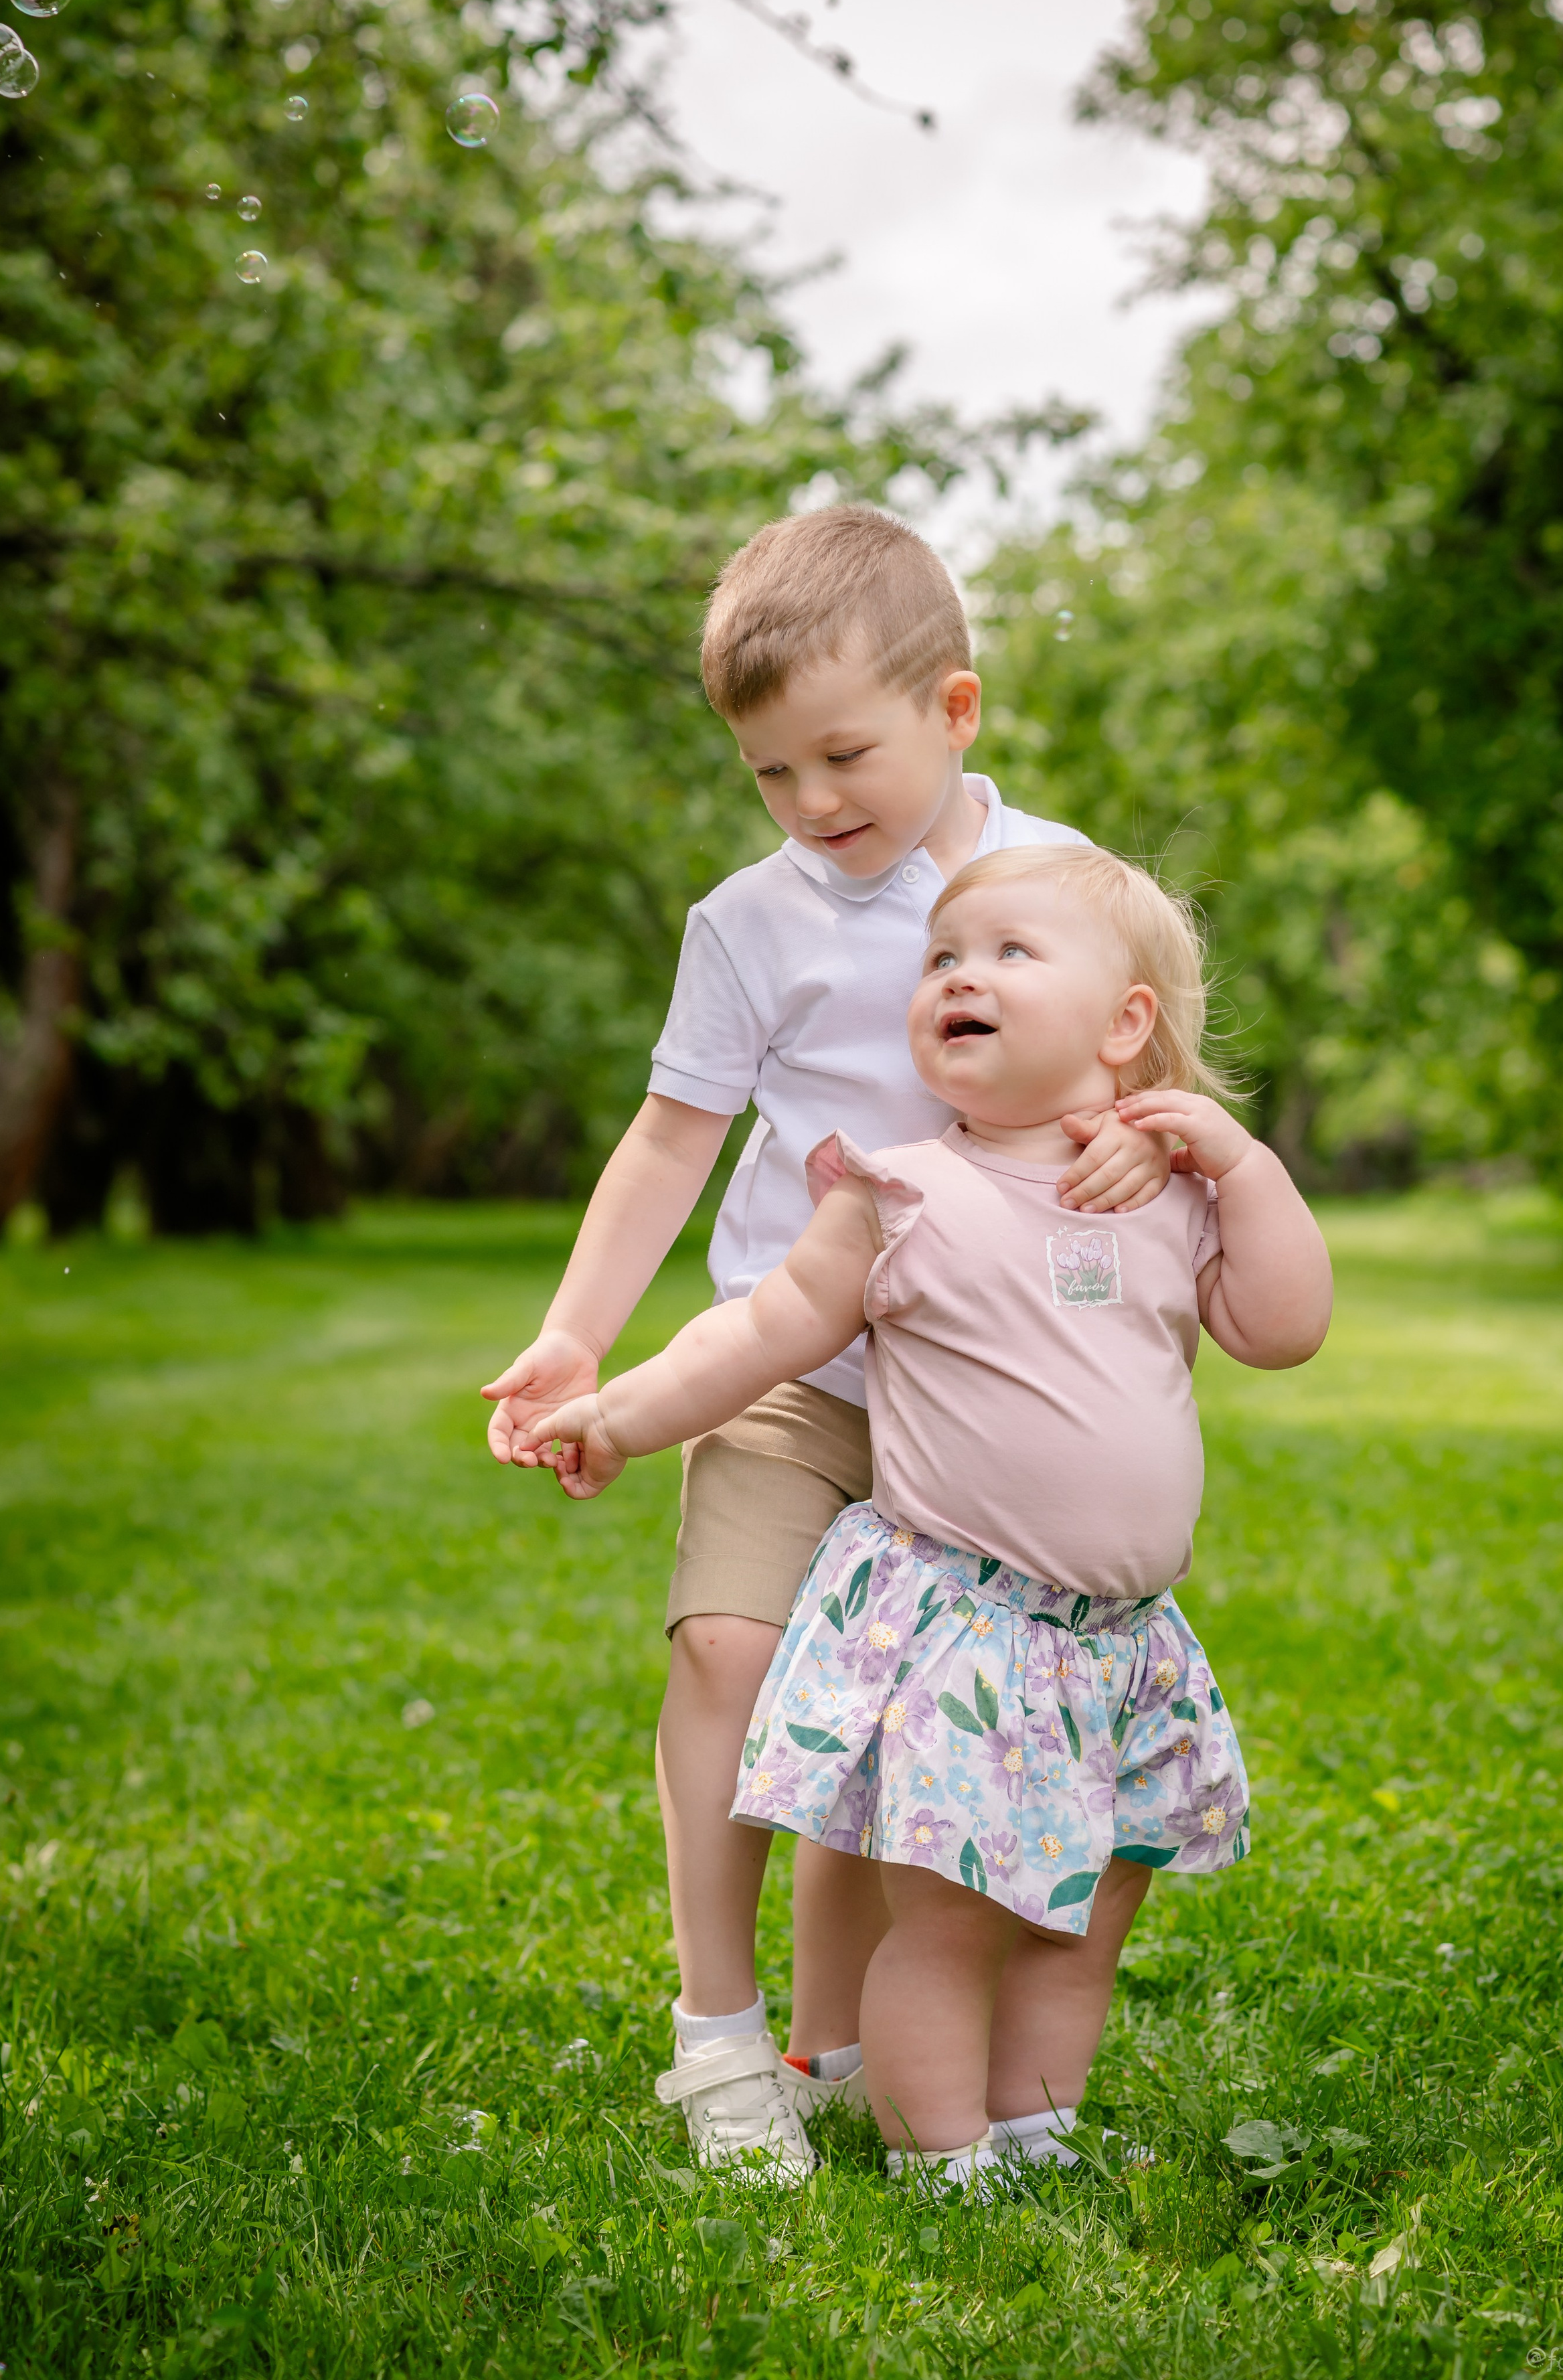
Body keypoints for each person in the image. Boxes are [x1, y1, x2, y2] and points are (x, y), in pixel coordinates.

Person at [481, 509, 1171, 2180]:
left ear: (954, 710)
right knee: (726, 1650)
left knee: (893, 1740)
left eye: (841, 756)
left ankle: (851, 2042)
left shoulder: (1054, 887)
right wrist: (579, 1338)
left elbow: (1151, 1063)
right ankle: (720, 2042)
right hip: (791, 1366)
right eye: (770, 773)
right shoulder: (750, 924)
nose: (812, 805)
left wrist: (1152, 1134)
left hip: (990, 1390)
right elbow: (667, 1141)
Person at [526, 842, 1333, 2187]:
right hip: (967, 1637)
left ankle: (1032, 2126)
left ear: (1126, 1023)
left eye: (1007, 953)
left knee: (1082, 1916)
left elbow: (1284, 1326)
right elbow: (762, 1330)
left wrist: (1239, 1163)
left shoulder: (1166, 1194)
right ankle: (937, 2148)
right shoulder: (900, 1193)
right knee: (952, 1917)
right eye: (941, 958)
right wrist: (614, 1413)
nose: (957, 973)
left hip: (1118, 1645)